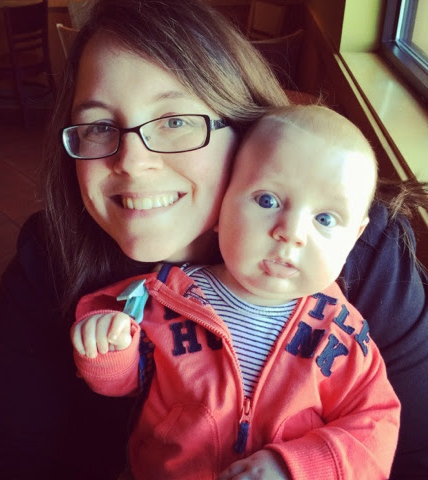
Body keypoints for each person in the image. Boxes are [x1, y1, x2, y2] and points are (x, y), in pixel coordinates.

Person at [0, 1, 426, 479]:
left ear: (243, 128)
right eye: (100, 126)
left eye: (175, 121)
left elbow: (407, 450)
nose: (131, 162)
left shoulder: (359, 249)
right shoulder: (51, 253)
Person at [72, 105, 401, 479]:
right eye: (267, 200)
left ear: (354, 237)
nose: (291, 232)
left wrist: (293, 467)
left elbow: (376, 428)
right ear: (222, 202)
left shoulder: (342, 334)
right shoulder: (166, 297)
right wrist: (107, 350)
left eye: (325, 219)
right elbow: (125, 382)